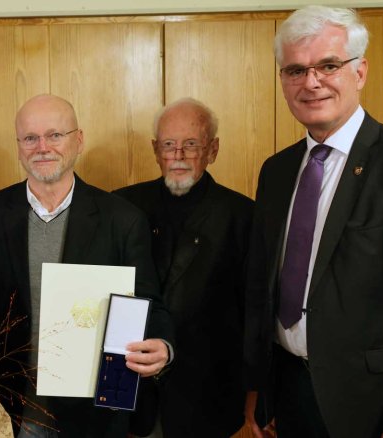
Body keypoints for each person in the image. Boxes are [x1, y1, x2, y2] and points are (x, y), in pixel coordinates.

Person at [243, 6, 383, 438]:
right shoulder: (276, 171)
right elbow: (261, 290)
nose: (311, 82)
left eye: (328, 65)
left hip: (378, 407)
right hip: (289, 395)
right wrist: (259, 387)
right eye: (295, 70)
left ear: (360, 72)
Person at [0, 94, 173, 437]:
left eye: (55, 135)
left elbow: (148, 305)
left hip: (93, 415)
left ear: (79, 140)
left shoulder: (123, 220)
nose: (42, 147)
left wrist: (162, 345)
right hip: (7, 413)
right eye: (31, 138)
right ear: (19, 146)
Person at [115, 98, 251, 437]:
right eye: (168, 145)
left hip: (207, 396)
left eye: (191, 145)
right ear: (155, 150)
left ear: (213, 149)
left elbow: (255, 313)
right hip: (131, 392)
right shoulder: (121, 207)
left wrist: (257, 391)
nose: (178, 156)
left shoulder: (243, 216)